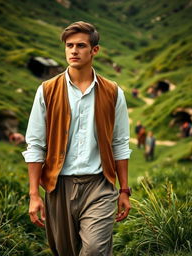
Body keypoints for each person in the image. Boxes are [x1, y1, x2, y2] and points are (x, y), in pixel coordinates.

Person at [22, 21, 132, 256]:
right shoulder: (46, 90)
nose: (73, 51)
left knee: (93, 251)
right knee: (65, 251)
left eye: (80, 45)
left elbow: (120, 144)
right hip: (58, 186)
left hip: (99, 185)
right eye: (69, 45)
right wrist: (33, 195)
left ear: (94, 50)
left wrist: (124, 189)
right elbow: (35, 145)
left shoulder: (113, 92)